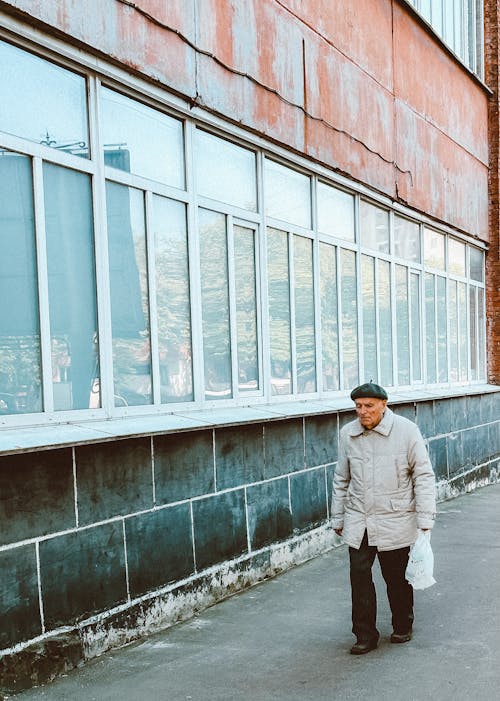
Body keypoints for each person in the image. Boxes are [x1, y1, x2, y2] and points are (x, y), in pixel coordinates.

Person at [331, 382, 436, 655]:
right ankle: (365, 635)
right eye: (358, 406)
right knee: (359, 576)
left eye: (368, 406)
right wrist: (338, 517)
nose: (362, 412)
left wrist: (425, 518)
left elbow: (423, 475)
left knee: (396, 577)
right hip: (359, 519)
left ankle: (403, 624)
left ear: (383, 405)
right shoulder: (348, 434)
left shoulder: (406, 431)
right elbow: (341, 478)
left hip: (395, 517)